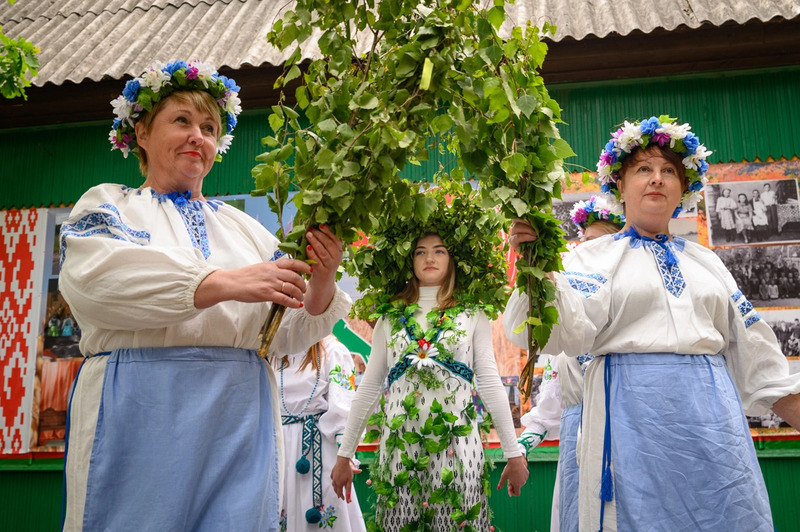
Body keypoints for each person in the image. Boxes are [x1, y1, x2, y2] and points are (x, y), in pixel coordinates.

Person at [58, 60, 352, 531]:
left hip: (240, 414)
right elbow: (95, 284)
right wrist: (219, 283)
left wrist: (321, 280)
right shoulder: (110, 204)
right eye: (182, 121)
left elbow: (282, 332)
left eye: (210, 128)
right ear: (142, 134)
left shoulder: (245, 230)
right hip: (142, 409)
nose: (199, 136)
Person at [505, 115, 800, 531]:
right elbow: (557, 335)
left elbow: (758, 356)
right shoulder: (589, 258)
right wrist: (539, 270)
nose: (657, 179)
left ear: (683, 189)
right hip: (630, 425)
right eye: (643, 169)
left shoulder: (708, 262)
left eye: (669, 172)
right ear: (619, 186)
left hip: (711, 426)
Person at [331, 218, 528, 530]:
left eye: (439, 251)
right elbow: (368, 389)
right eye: (421, 252)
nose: (430, 258)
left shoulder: (471, 314)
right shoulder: (389, 319)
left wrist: (513, 453)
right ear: (410, 261)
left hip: (459, 449)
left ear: (452, 260)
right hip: (399, 449)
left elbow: (490, 383)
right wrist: (345, 454)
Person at [514, 196, 625, 532]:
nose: (591, 250)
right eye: (586, 242)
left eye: (603, 242)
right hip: (579, 441)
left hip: (630, 433)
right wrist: (518, 449)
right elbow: (549, 407)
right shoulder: (567, 320)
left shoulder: (632, 309)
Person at [275, 335, 367, 531]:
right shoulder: (274, 351)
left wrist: (346, 457)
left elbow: (344, 406)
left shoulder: (333, 350)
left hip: (320, 452)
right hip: (279, 452)